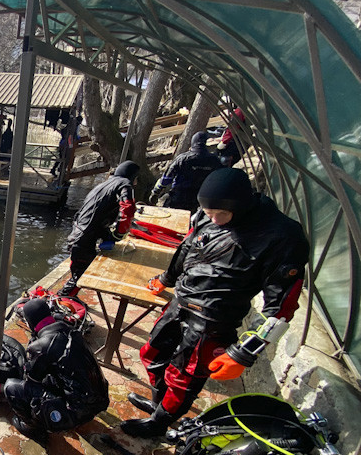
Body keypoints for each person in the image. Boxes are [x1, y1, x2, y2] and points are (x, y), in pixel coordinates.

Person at [122, 168, 309, 438]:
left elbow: (281, 306)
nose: (212, 219)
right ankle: (158, 403)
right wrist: (166, 278)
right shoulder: (207, 215)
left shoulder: (282, 236)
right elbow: (187, 248)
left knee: (184, 376)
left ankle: (160, 422)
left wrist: (243, 353)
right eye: (208, 212)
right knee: (150, 353)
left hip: (214, 318)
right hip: (182, 299)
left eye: (219, 214)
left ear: (240, 206)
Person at [4, 298, 109, 442]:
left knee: (12, 387)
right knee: (52, 375)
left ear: (30, 322)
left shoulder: (41, 347)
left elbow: (31, 380)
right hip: (99, 400)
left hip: (76, 413)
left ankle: (35, 428)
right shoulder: (72, 330)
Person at [59, 160, 139, 296]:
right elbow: (128, 208)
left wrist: (109, 233)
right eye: (137, 178)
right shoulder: (125, 184)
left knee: (80, 273)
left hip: (79, 233)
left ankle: (68, 299)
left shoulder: (104, 185)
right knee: (79, 277)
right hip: (83, 238)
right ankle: (63, 301)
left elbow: (97, 213)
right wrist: (119, 233)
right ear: (132, 176)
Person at [150, 131, 221, 213]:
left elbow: (166, 178)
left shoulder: (182, 159)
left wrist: (155, 192)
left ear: (192, 142)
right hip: (199, 199)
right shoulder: (214, 160)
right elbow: (219, 180)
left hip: (179, 197)